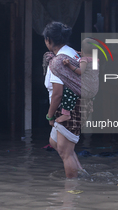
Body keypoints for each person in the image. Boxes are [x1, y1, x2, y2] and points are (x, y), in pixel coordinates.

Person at [43, 21, 92, 178]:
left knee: (65, 151)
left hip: (70, 108)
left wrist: (50, 115)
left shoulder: (58, 62)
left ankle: (71, 193)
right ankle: (81, 173)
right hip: (79, 104)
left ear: (49, 40)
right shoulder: (72, 52)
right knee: (54, 141)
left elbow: (57, 94)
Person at [56, 38, 99, 123]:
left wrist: (69, 65)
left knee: (69, 91)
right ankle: (90, 107)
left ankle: (66, 114)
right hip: (94, 89)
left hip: (85, 88)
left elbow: (80, 71)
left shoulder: (84, 60)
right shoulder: (96, 60)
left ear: (82, 50)